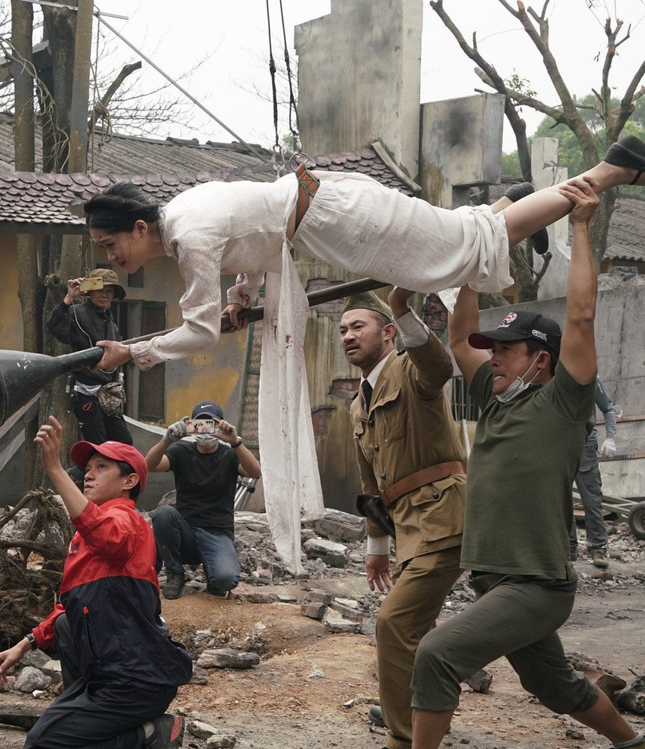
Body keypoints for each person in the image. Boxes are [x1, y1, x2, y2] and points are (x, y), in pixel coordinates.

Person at [82, 136, 645, 571]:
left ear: (138, 228)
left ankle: (609, 169)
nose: (112, 258)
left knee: (462, 245)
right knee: (456, 245)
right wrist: (241, 295)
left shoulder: (187, 237)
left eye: (110, 245)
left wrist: (131, 352)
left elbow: (200, 331)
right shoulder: (184, 212)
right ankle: (512, 206)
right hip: (321, 214)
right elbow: (249, 235)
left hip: (335, 216)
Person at [401, 179, 645, 749]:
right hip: (496, 579)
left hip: (536, 583)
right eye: (495, 350)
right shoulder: (494, 397)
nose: (494, 357)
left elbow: (581, 315)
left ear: (541, 358)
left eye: (506, 350)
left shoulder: (563, 400)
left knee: (436, 654)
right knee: (551, 684)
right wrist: (474, 250)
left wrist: (580, 226)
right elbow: (460, 335)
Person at [0, 418, 192, 749]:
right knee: (68, 623)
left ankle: (147, 735)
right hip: (107, 677)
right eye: (87, 468)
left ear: (129, 481)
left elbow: (108, 536)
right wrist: (25, 643)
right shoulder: (84, 538)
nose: (89, 474)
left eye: (102, 467)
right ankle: (98, 719)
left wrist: (54, 469)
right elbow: (71, 607)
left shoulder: (129, 524)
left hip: (135, 681)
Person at [336, 289, 466, 749]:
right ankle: (416, 705)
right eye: (343, 329)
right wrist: (376, 547)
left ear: (388, 332)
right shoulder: (358, 403)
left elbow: (439, 366)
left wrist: (402, 309)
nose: (348, 336)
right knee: (418, 628)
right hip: (408, 526)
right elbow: (371, 484)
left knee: (394, 623)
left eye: (359, 327)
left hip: (444, 517)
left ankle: (404, 743)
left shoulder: (411, 368)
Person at [144, 400, 260, 599]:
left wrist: (235, 442)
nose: (205, 430)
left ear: (221, 425)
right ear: (191, 426)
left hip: (217, 534)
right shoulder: (181, 452)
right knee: (163, 514)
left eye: (211, 424)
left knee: (226, 580)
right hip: (185, 532)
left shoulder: (230, 455)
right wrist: (167, 440)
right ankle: (175, 573)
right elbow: (148, 466)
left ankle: (212, 570)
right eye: (199, 424)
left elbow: (255, 472)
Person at [44, 267, 132, 446]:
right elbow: (54, 325)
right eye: (100, 289)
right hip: (86, 392)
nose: (104, 294)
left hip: (110, 393)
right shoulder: (76, 313)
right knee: (98, 446)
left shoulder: (110, 319)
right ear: (90, 291)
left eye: (109, 291)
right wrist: (68, 299)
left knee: (124, 443)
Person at [573, 380, 619, 568]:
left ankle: (598, 547)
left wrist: (610, 437)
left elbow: (608, 409)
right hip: (559, 445)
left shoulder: (591, 378)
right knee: (560, 499)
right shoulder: (553, 375)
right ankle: (569, 547)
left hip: (586, 445)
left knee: (591, 499)